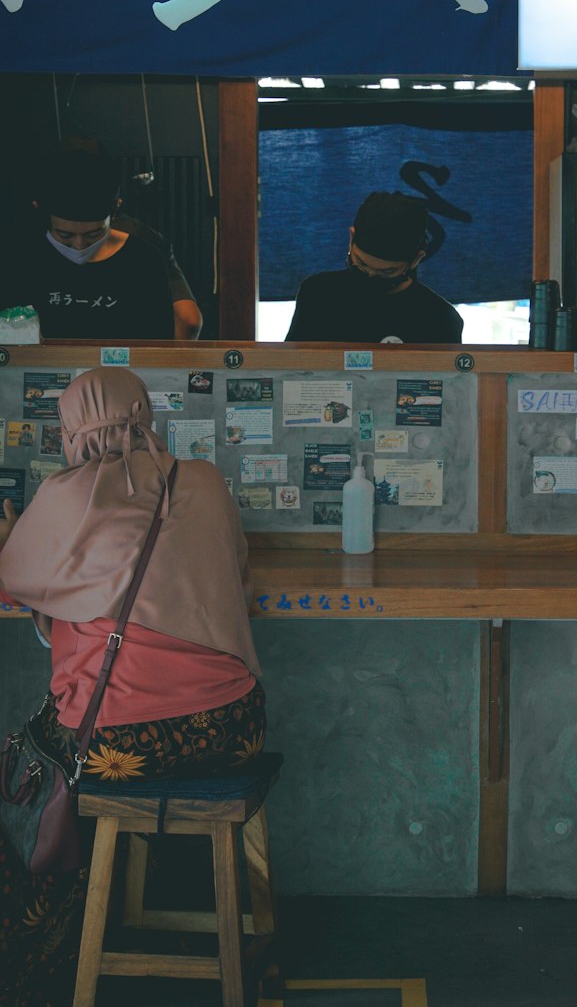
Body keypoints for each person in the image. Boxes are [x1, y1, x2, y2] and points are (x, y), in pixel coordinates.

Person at [0, 367, 264, 1007]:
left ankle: (42, 947)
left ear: (69, 432)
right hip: (237, 730)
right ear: (146, 416)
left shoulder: (63, 501)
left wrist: (12, 539)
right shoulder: (201, 481)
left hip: (117, 749)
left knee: (26, 764)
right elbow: (238, 572)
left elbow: (14, 579)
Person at [0, 147, 176, 341]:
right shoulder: (17, 258)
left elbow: (156, 344)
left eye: (94, 234)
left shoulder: (143, 261)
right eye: (65, 234)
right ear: (39, 211)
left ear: (116, 208)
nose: (79, 244)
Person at [286, 190, 464, 344]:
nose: (370, 275)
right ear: (351, 238)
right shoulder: (318, 293)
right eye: (361, 264)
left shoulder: (439, 318)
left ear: (416, 259)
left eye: (387, 272)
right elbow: (290, 369)